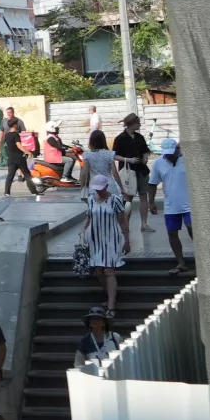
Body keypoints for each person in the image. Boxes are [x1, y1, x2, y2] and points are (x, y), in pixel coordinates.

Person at [83, 171, 130, 317]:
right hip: (95, 238)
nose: (99, 191)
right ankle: (110, 296)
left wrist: (127, 240)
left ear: (106, 186)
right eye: (97, 188)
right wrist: (83, 232)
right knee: (98, 270)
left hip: (111, 238)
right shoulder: (91, 200)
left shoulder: (115, 200)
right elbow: (88, 217)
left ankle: (111, 306)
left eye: (101, 188)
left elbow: (122, 221)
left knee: (109, 270)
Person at [146, 137, 192, 273]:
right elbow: (153, 183)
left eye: (172, 152)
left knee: (192, 227)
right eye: (167, 153)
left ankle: (204, 259)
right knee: (172, 233)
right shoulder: (159, 163)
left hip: (190, 204)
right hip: (171, 205)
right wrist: (151, 202)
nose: (169, 155)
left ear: (178, 150)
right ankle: (181, 263)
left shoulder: (188, 159)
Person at [112, 115, 154, 236]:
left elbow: (145, 151)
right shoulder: (120, 138)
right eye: (138, 122)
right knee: (128, 199)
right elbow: (115, 155)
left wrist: (145, 157)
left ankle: (144, 224)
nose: (139, 124)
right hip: (128, 172)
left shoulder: (140, 137)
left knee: (143, 196)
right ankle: (126, 225)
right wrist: (128, 160)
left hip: (141, 170)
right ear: (131, 124)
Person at [0, 112, 28, 200]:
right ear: (15, 125)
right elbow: (18, 145)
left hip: (11, 158)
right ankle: (34, 192)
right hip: (18, 157)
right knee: (27, 175)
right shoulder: (15, 134)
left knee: (10, 176)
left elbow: (7, 145)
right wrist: (28, 152)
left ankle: (7, 192)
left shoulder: (7, 135)